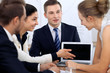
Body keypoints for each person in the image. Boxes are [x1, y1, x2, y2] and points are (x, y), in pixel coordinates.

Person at [0, 0, 59, 73]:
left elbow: (18, 64)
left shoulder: (5, 38)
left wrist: (39, 67)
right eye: (24, 19)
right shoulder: (4, 43)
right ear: (16, 21)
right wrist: (52, 72)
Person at [66, 0, 110, 73]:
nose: (81, 24)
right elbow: (96, 62)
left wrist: (76, 65)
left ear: (90, 18)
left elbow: (101, 69)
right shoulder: (100, 31)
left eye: (82, 20)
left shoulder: (107, 30)